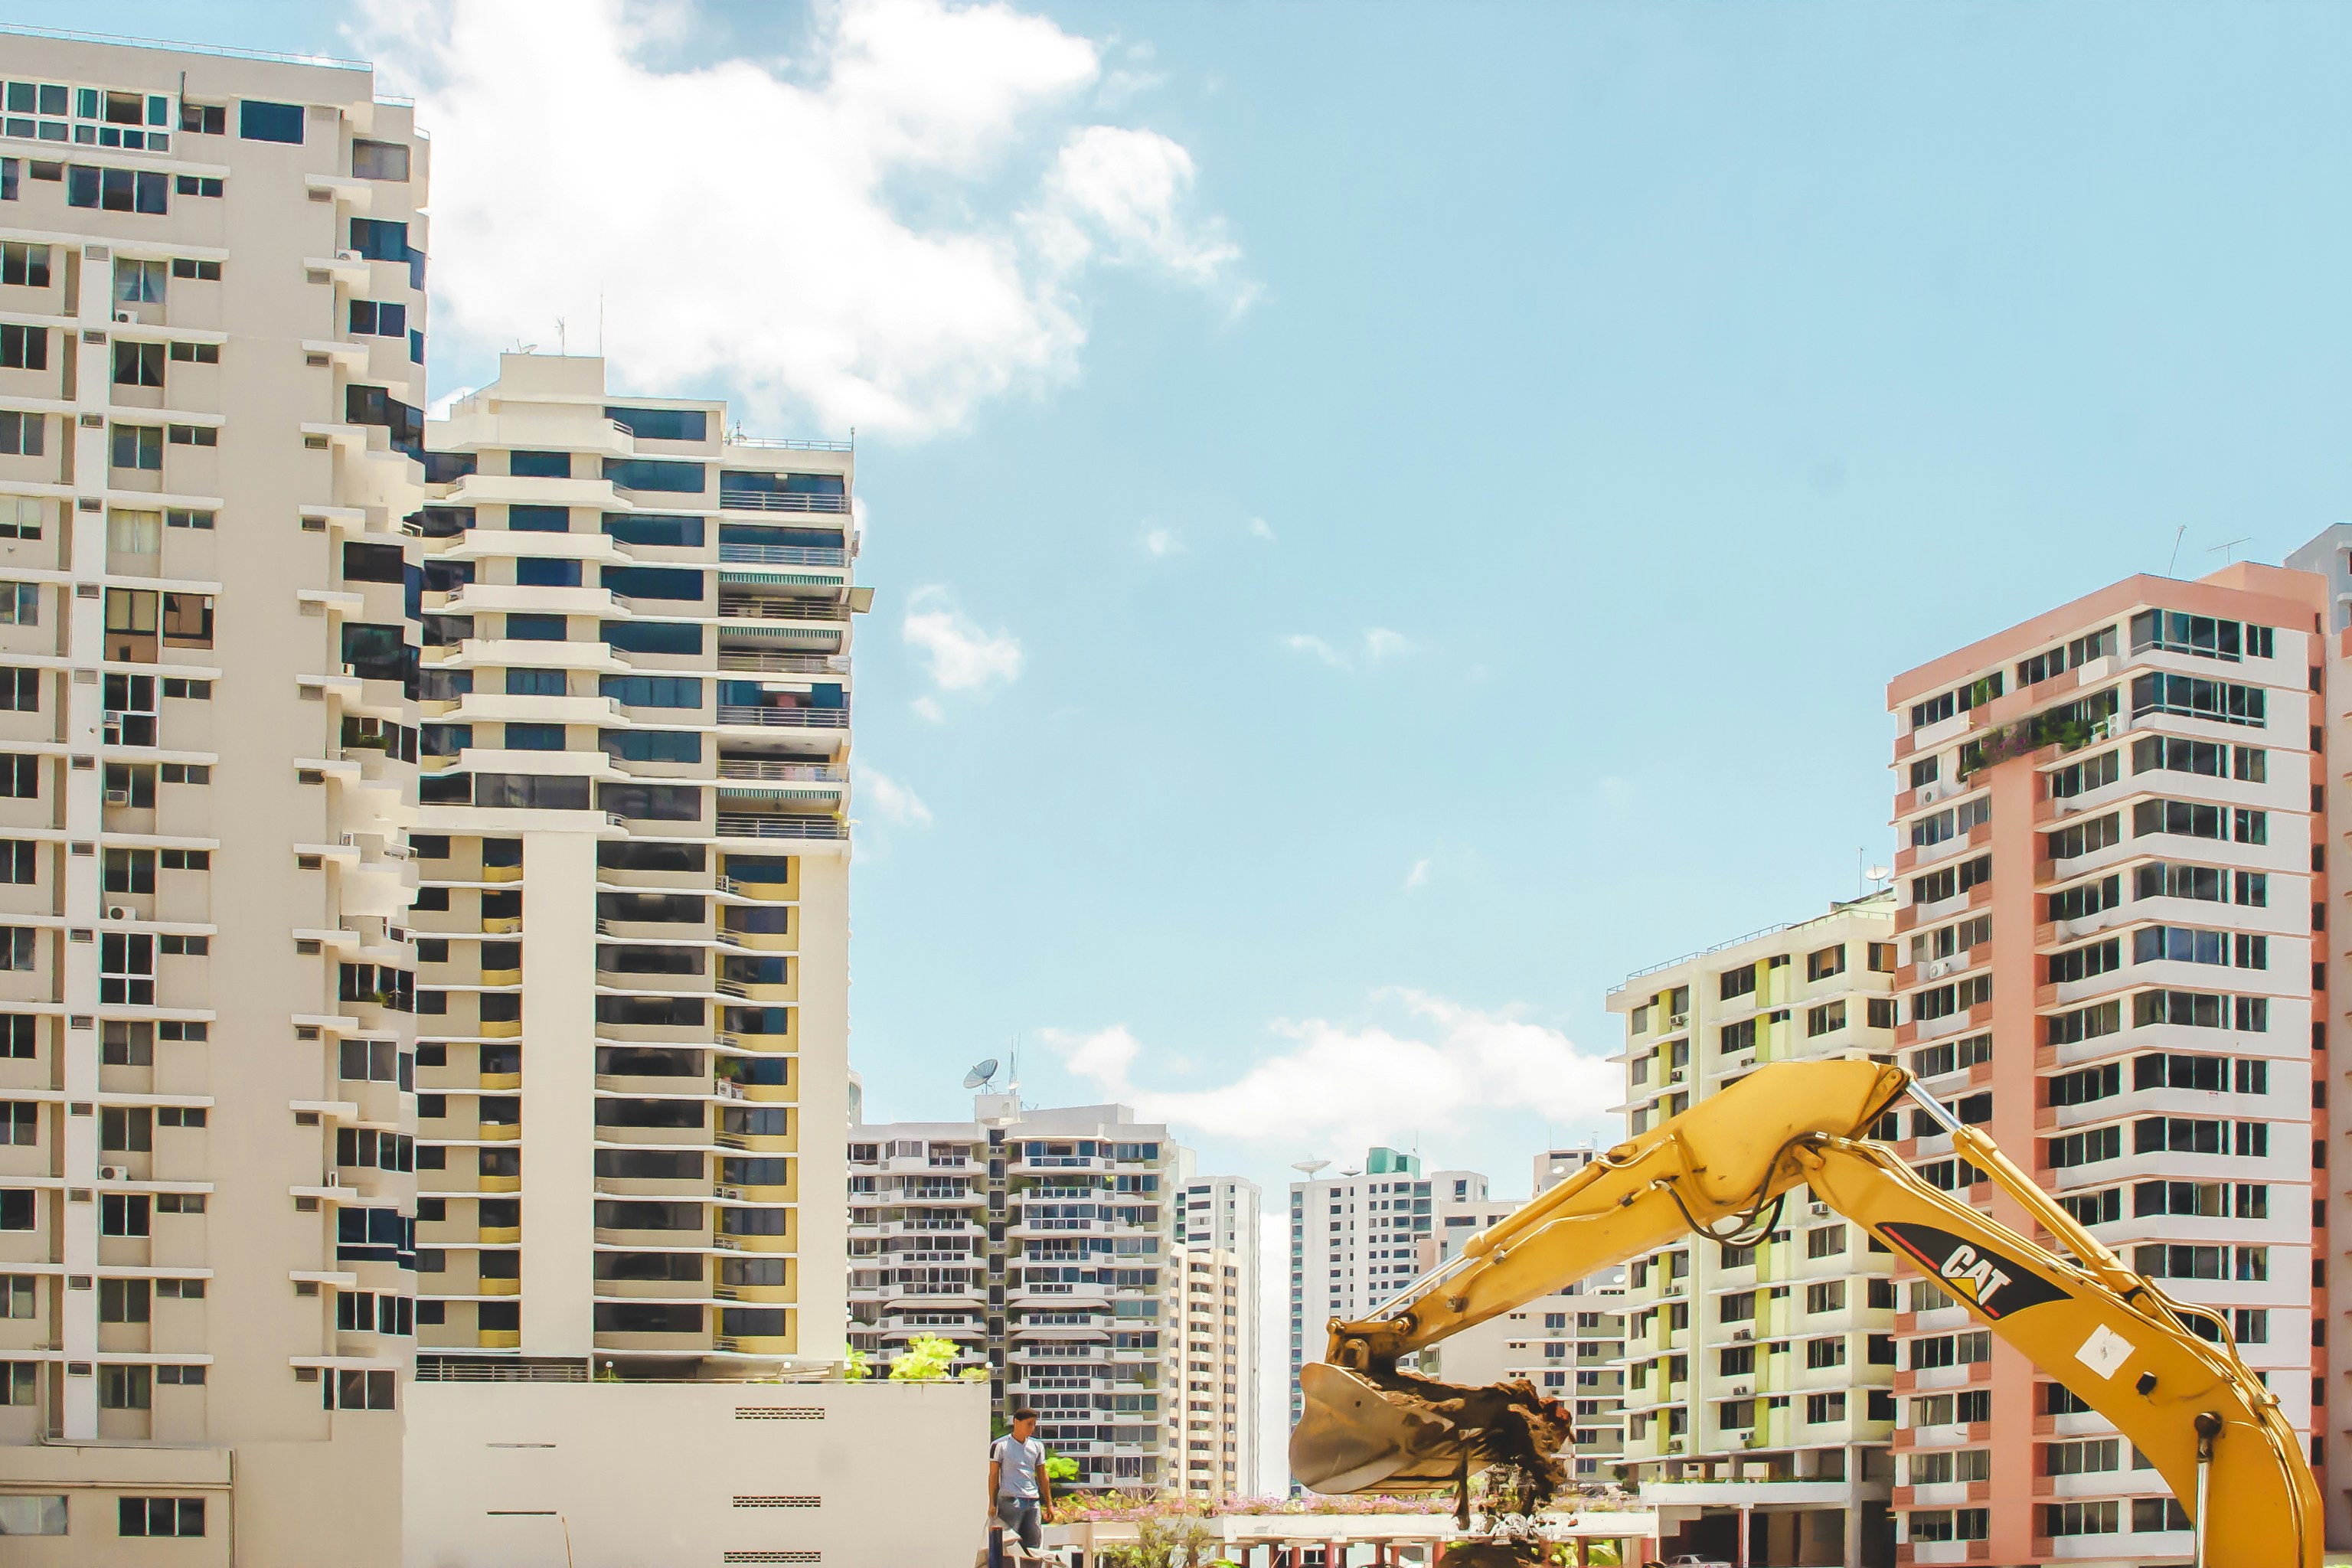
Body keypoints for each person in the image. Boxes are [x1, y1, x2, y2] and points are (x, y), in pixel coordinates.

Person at [988, 1406, 1051, 1560]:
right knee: (1009, 1545)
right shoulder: (1000, 1445)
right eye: (1029, 1424)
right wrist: (992, 1503)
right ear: (1016, 1422)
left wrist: (1049, 1503)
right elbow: (994, 1475)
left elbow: (1042, 1475)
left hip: (1033, 1501)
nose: (1032, 1428)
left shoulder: (1037, 1446)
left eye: (1034, 1424)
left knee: (1033, 1548)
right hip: (1011, 1500)